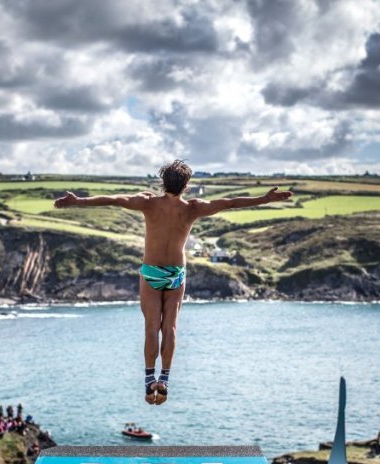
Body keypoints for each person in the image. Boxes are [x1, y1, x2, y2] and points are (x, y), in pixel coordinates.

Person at [54, 160, 292, 404]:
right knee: (170, 327)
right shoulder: (192, 208)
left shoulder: (147, 202)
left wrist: (78, 201)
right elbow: (230, 203)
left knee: (151, 328)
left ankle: (149, 382)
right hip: (176, 273)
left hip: (152, 272)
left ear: (162, 181)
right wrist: (264, 199)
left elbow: (114, 199)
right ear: (186, 186)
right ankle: (164, 379)